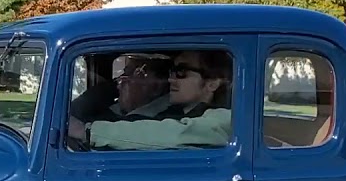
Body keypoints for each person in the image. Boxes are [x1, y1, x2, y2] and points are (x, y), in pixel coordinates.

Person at [70, 50, 232, 150]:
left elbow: (175, 134)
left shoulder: (224, 120)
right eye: (171, 72)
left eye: (181, 72)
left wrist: (88, 131)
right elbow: (135, 123)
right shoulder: (166, 111)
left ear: (212, 83)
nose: (171, 80)